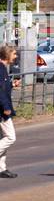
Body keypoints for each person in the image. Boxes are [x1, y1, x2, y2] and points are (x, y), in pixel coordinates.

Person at [0, 45, 16, 178]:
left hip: (2, 108)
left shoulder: (3, 68)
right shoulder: (0, 69)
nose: (15, 57)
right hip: (2, 110)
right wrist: (6, 107)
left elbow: (3, 87)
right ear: (7, 55)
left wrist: (12, 85)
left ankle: (1, 169)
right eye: (14, 54)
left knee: (2, 138)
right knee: (10, 137)